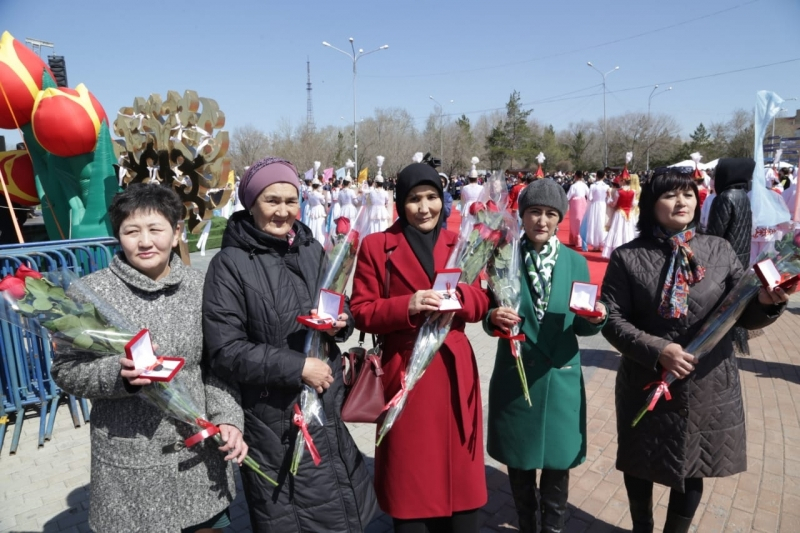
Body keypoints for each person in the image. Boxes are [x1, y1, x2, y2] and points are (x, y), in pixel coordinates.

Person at [601, 169, 791, 533]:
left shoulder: (718, 250)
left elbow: (741, 314)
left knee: (693, 464)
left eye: (688, 194)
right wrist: (659, 350)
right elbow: (612, 320)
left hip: (708, 382)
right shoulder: (628, 257)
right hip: (648, 380)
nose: (682, 201)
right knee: (639, 462)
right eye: (671, 195)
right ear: (651, 204)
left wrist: (768, 303)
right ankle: (642, 527)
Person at [51, 184, 245, 533]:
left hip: (200, 456)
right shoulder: (90, 292)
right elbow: (67, 370)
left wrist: (228, 418)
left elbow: (218, 365)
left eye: (156, 229)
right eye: (131, 231)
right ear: (118, 236)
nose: (144, 241)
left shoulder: (203, 286)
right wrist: (118, 375)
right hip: (131, 464)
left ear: (176, 234)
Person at [202, 157, 377, 532]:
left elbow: (333, 304)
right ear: (250, 204)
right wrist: (297, 367)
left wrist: (342, 323)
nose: (283, 211)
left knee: (345, 511)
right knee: (296, 516)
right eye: (271, 200)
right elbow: (224, 351)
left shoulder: (311, 249)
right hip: (275, 422)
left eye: (290, 200)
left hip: (326, 409)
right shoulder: (229, 264)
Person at [350, 162, 490, 533]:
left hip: (455, 372)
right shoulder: (378, 247)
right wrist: (407, 306)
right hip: (405, 375)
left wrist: (459, 297)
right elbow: (361, 311)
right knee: (412, 486)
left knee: (462, 493)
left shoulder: (460, 244)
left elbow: (482, 302)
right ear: (400, 203)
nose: (424, 207)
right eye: (414, 199)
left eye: (431, 197)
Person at [484, 179, 607, 533]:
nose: (542, 220)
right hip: (516, 373)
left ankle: (553, 528)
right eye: (534, 212)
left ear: (559, 219)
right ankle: (527, 525)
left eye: (551, 214)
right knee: (519, 465)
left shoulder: (575, 261)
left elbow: (582, 326)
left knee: (557, 468)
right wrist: (492, 318)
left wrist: (597, 318)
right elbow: (489, 312)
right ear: (522, 216)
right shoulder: (503, 257)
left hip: (560, 377)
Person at [704, 159, 754, 354]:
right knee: (735, 300)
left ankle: (720, 343)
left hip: (723, 257)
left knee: (720, 303)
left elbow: (715, 234)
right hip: (741, 255)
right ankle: (735, 340)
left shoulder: (724, 198)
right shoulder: (743, 195)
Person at [601, 176, 637, 259]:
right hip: (629, 214)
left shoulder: (619, 192)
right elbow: (633, 204)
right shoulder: (633, 191)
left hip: (620, 213)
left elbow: (613, 204)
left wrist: (609, 197)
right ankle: (628, 252)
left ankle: (617, 252)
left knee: (618, 232)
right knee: (628, 232)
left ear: (623, 181)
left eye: (620, 180)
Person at [584, 170, 609, 251]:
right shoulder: (606, 186)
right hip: (603, 205)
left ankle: (595, 245)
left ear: (597, 176)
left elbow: (590, 198)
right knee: (602, 223)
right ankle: (601, 243)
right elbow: (608, 198)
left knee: (594, 223)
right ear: (604, 176)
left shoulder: (593, 186)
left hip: (595, 205)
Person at [566, 170, 590, 248]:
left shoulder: (574, 186)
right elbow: (589, 194)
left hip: (575, 204)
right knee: (581, 220)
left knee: (574, 221)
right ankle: (581, 238)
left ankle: (575, 239)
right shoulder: (584, 185)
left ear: (575, 176)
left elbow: (568, 196)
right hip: (583, 203)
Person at [305, 178, 328, 245]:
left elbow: (309, 202)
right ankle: (320, 241)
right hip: (318, 209)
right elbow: (323, 202)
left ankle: (312, 238)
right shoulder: (319, 195)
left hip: (313, 209)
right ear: (318, 186)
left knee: (313, 223)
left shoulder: (310, 194)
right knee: (319, 225)